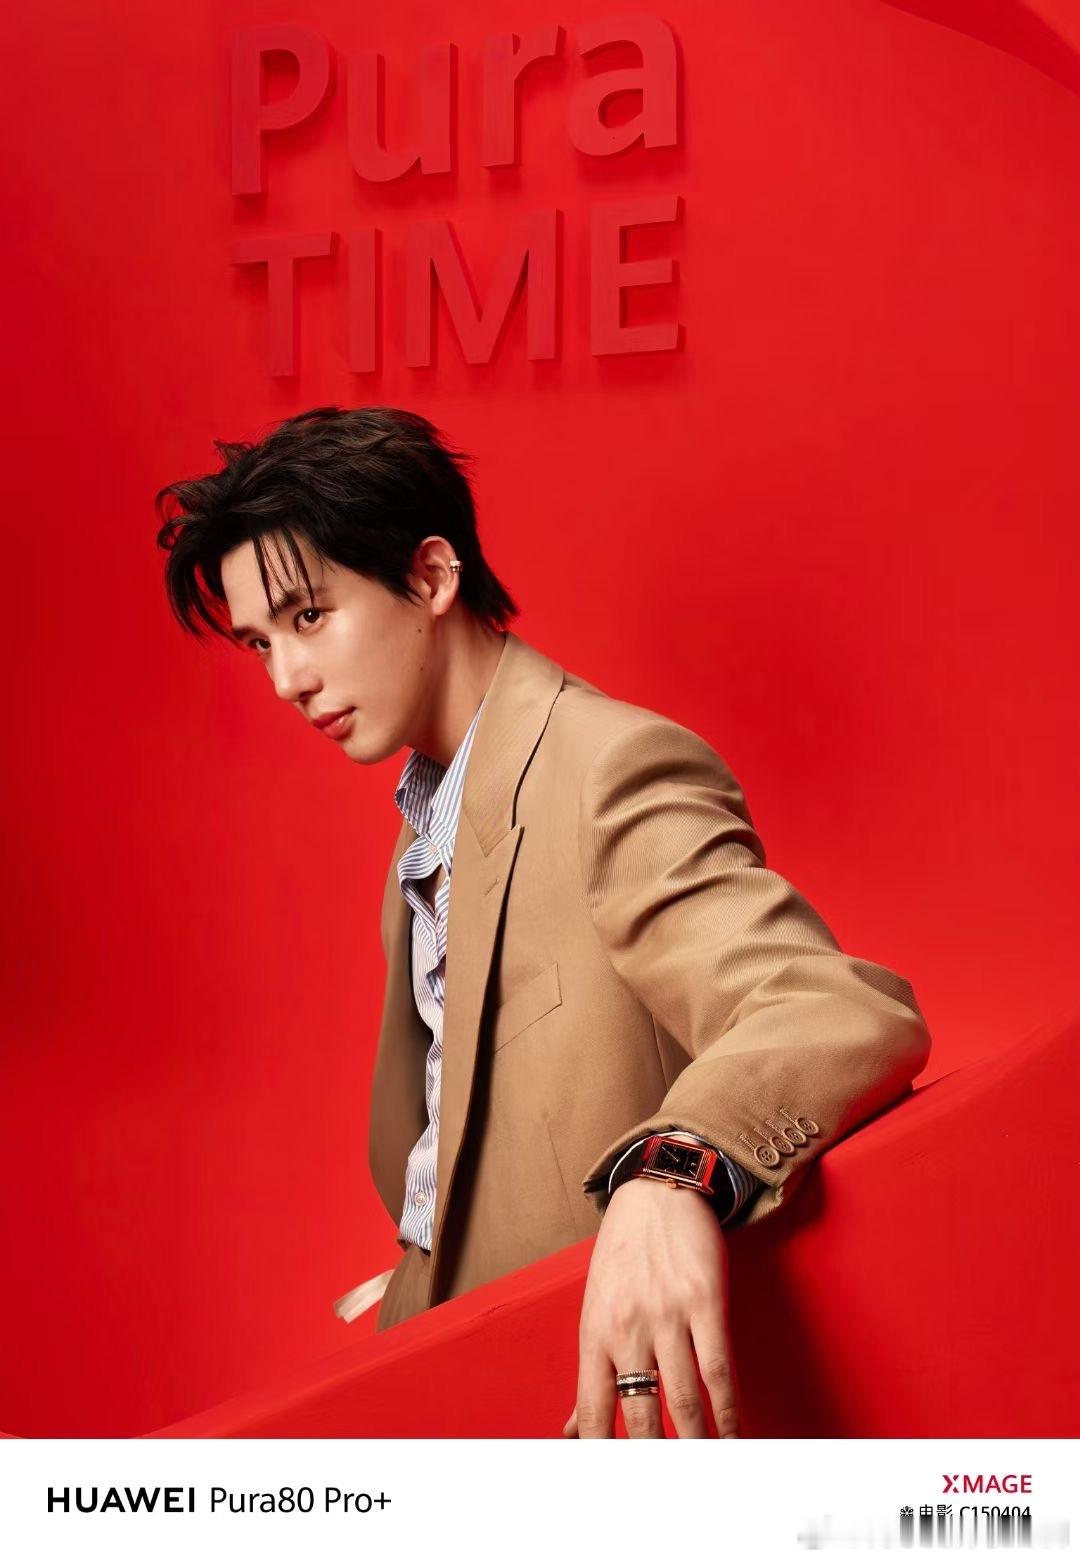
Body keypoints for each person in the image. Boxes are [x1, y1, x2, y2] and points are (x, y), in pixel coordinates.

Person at [155, 405, 933, 1439]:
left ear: (432, 577)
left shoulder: (606, 771)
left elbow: (830, 1007)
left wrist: (673, 1171)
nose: (287, 680)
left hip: (590, 1411)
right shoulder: (426, 821)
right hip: (453, 1368)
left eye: (309, 618)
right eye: (260, 643)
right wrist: (431, 1258)